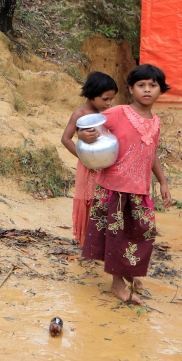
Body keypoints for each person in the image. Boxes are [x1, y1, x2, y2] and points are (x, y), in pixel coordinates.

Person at [78, 64, 172, 305]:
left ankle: (129, 272)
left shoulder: (156, 122)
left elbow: (152, 154)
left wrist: (162, 182)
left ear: (161, 90)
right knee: (118, 236)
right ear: (131, 89)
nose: (147, 90)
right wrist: (83, 135)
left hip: (140, 188)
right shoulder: (119, 112)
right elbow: (86, 122)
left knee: (142, 232)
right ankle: (117, 284)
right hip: (115, 188)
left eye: (153, 85)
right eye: (141, 85)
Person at [60, 71, 118, 245]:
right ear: (92, 95)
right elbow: (65, 138)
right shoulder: (80, 114)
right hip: (88, 167)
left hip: (106, 166)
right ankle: (87, 240)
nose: (108, 103)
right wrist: (85, 157)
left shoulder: (108, 114)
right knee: (88, 200)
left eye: (111, 99)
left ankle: (104, 239)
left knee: (104, 200)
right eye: (105, 99)